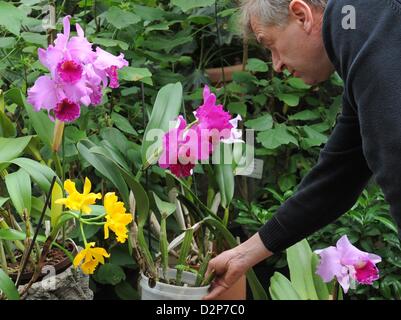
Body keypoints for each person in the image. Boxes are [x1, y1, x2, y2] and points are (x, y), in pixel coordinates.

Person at [203, 0, 401, 300]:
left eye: (270, 45)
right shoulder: (363, 33)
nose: (276, 64)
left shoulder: (362, 26)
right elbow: (338, 175)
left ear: (301, 15)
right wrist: (245, 254)